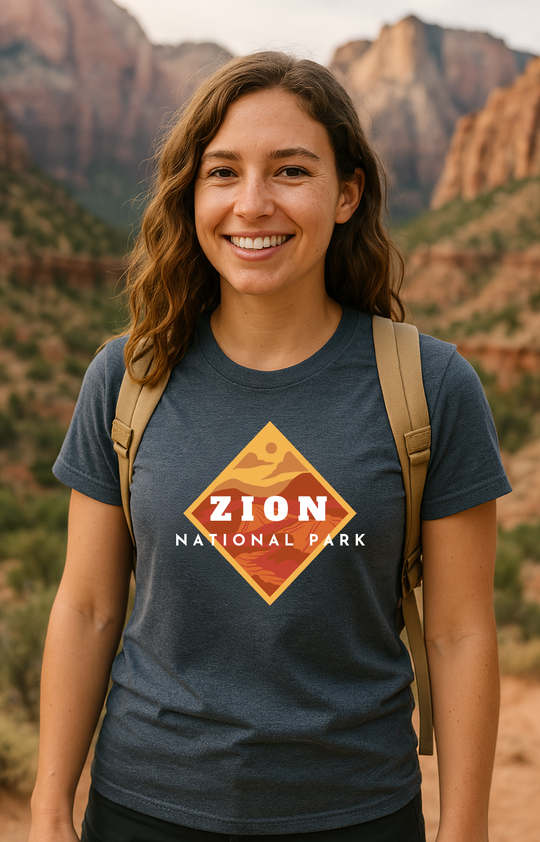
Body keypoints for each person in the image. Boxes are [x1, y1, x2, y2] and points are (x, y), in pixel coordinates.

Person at [29, 52, 511, 842]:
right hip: (144, 808)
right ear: (192, 196)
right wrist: (49, 808)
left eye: (290, 171)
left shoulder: (430, 385)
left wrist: (465, 832)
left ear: (346, 194)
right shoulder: (128, 377)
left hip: (359, 812)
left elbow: (461, 633)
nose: (252, 204)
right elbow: (86, 607)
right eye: (223, 173)